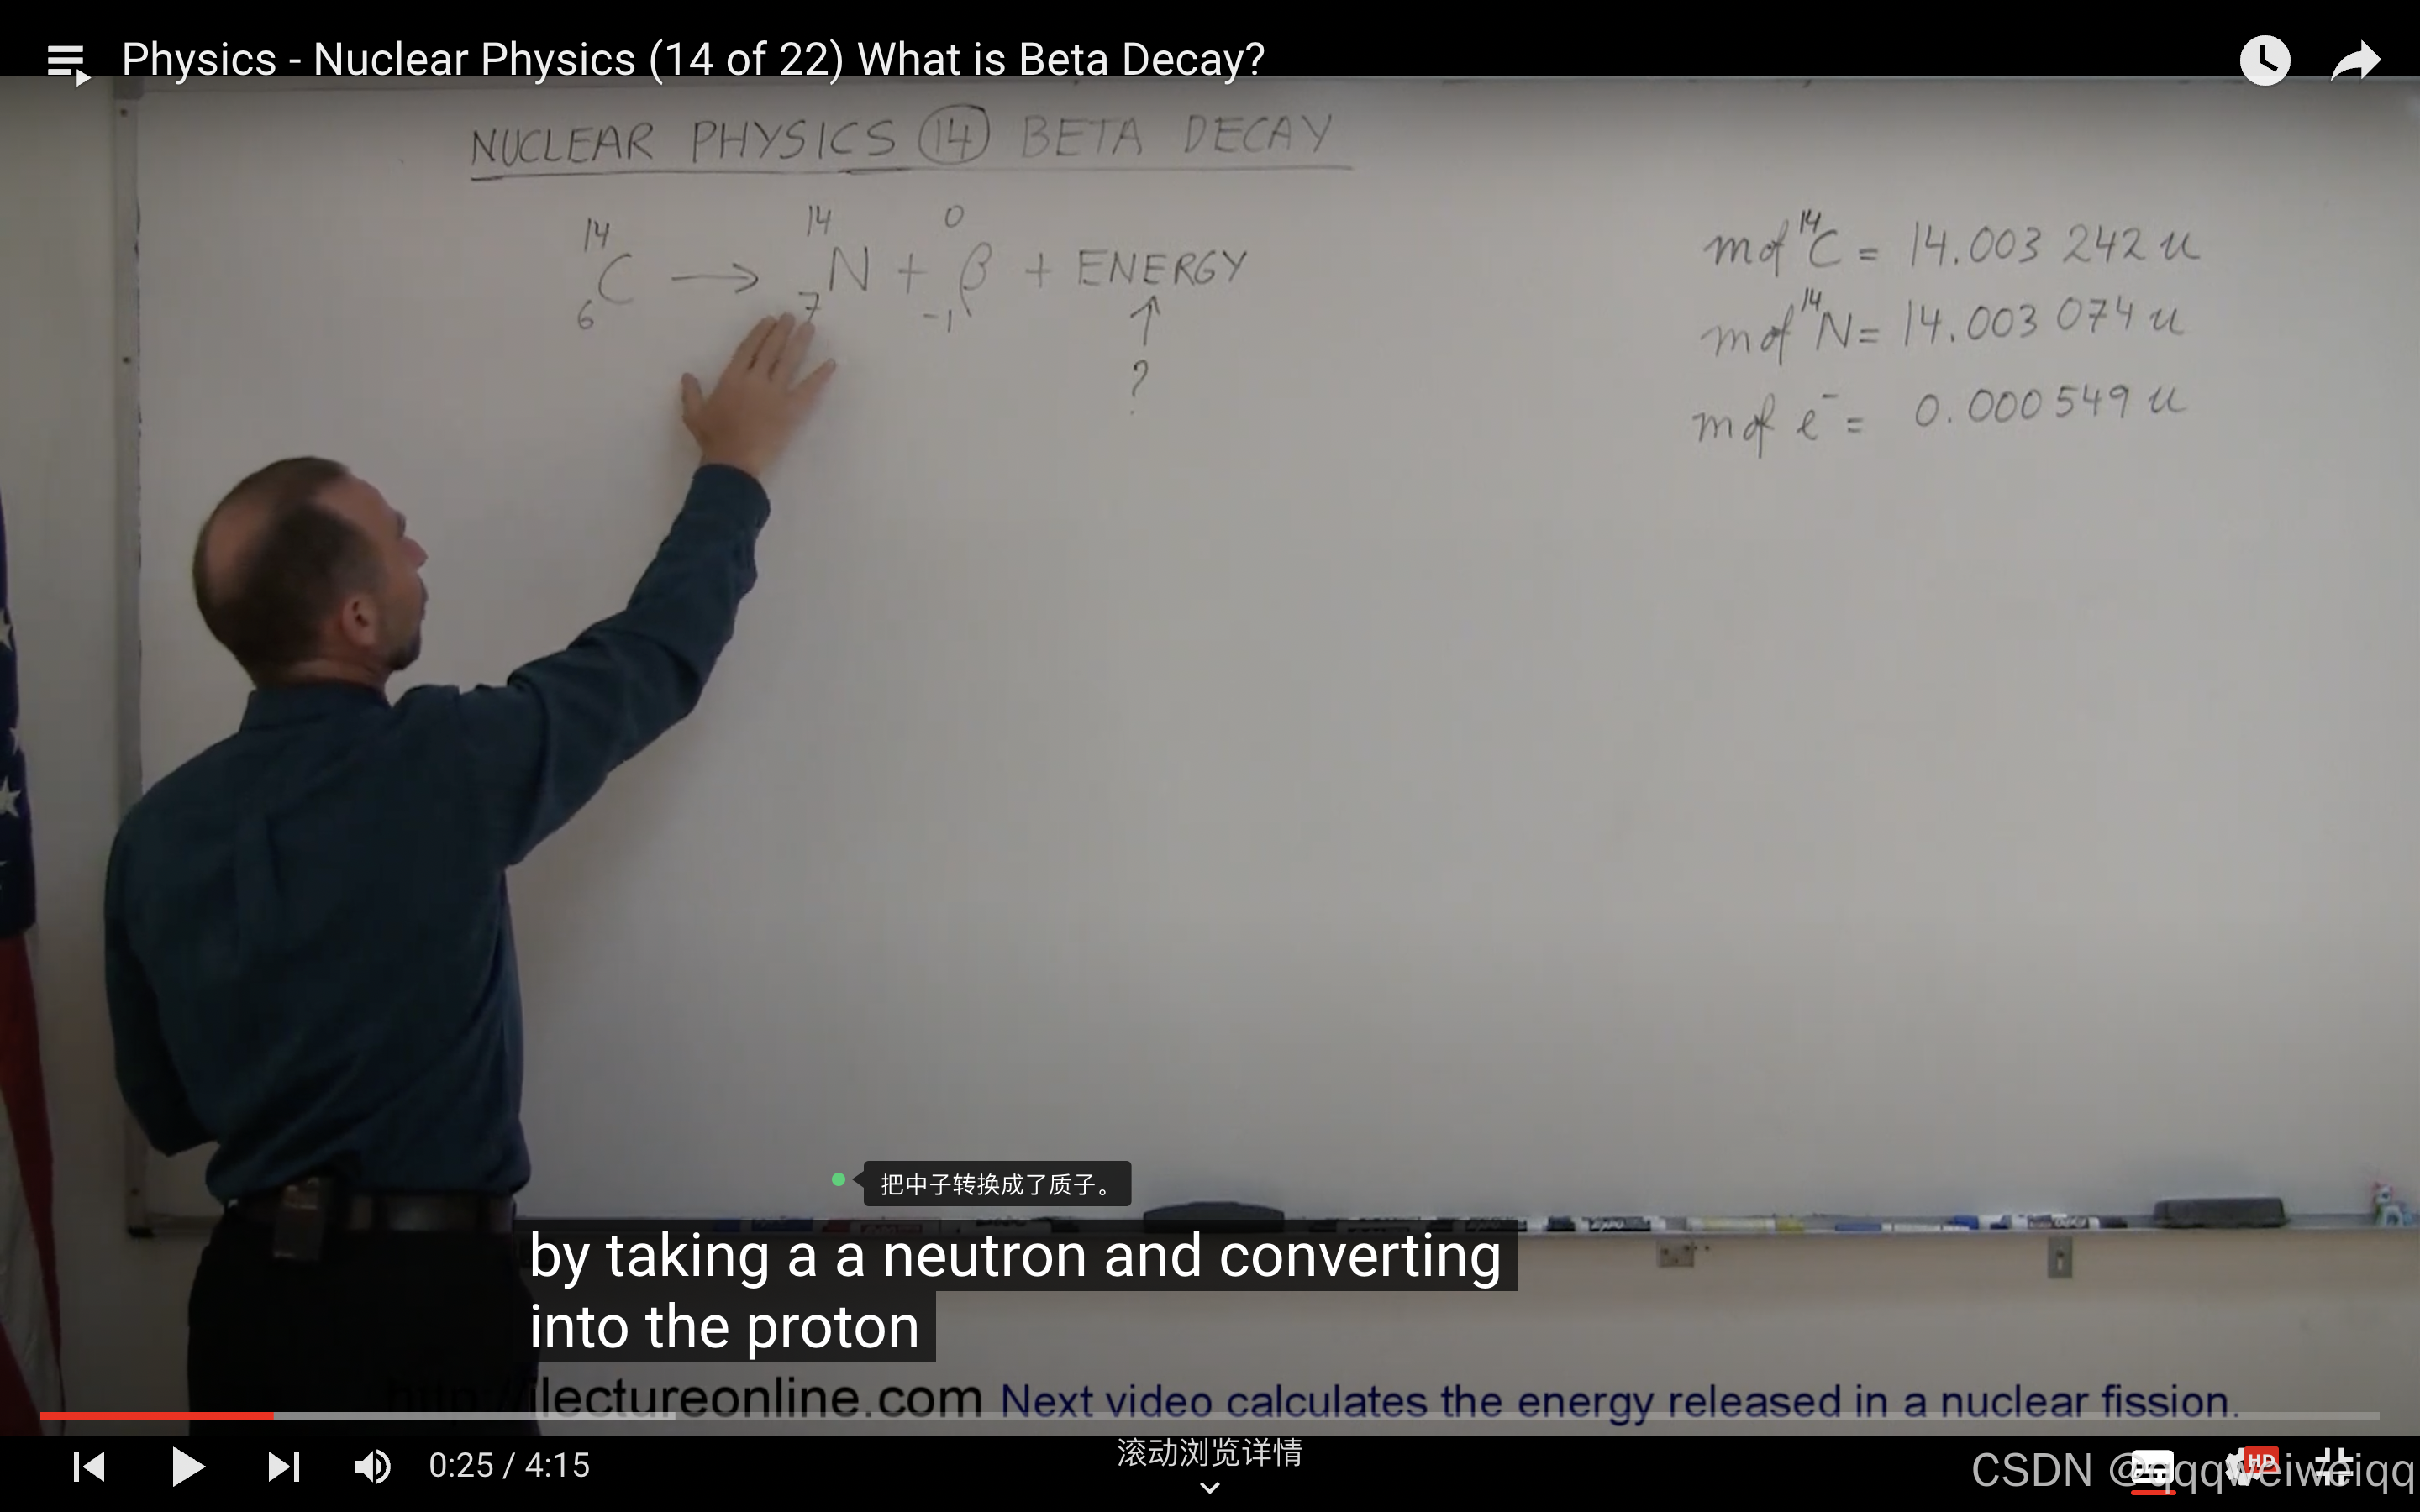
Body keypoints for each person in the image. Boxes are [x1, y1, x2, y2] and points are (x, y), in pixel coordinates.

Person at [103, 316, 835, 1436]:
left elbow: (167, 1110)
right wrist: (734, 468)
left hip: (246, 1312)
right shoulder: (441, 762)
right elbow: (650, 655)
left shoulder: (154, 834)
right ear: (356, 618)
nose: (419, 558)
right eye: (398, 541)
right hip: (423, 1308)